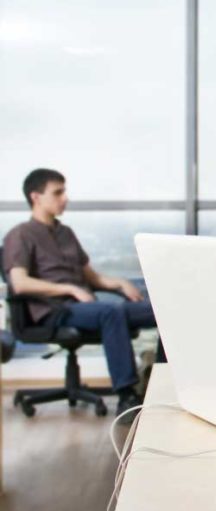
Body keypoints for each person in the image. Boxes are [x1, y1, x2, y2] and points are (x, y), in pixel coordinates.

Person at [2, 169, 158, 413]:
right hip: (54, 311)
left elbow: (93, 278)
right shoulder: (20, 235)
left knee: (161, 310)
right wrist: (69, 289)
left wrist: (119, 283)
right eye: (58, 193)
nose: (65, 198)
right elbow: (19, 283)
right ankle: (127, 395)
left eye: (64, 192)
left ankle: (162, 382)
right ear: (36, 197)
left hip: (85, 307)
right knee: (110, 311)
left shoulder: (66, 233)